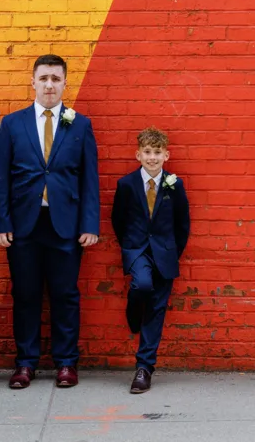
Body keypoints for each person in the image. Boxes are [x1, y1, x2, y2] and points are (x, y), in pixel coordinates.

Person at [0, 54, 100, 389]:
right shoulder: (13, 124)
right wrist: (1, 224)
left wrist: (90, 224)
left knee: (65, 295)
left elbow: (89, 179)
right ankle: (25, 363)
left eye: (56, 78)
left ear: (65, 83)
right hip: (24, 225)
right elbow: (2, 178)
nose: (50, 85)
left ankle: (66, 363)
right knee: (26, 295)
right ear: (33, 82)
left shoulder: (79, 124)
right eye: (44, 78)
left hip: (65, 225)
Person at [110, 127, 191, 394]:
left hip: (165, 253)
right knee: (142, 285)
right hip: (136, 251)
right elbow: (118, 221)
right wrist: (130, 249)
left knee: (156, 311)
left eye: (157, 152)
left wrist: (171, 253)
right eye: (147, 152)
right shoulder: (126, 184)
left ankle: (144, 368)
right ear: (138, 154)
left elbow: (182, 225)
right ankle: (133, 314)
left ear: (166, 155)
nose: (152, 157)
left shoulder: (175, 185)